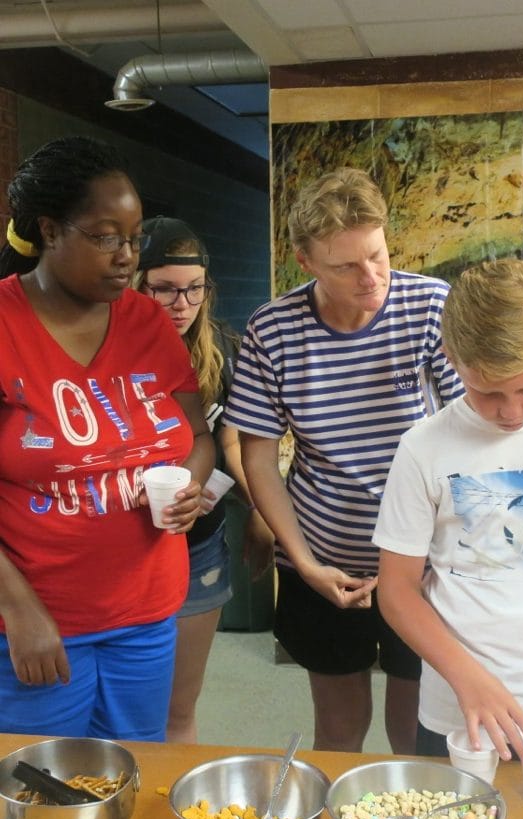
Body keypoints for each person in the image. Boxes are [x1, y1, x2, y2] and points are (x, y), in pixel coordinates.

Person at [224, 167, 464, 753]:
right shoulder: (273, 329)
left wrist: (444, 551)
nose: (370, 277)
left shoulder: (430, 304)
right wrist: (305, 564)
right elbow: (259, 458)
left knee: (415, 726)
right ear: (305, 261)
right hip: (324, 552)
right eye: (346, 266)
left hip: (422, 558)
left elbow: (469, 432)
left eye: (377, 255)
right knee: (338, 726)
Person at [0, 136, 215, 741]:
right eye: (105, 237)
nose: (126, 257)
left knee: (134, 770)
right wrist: (17, 608)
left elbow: (198, 435)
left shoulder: (147, 322)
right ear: (49, 230)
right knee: (42, 784)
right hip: (37, 619)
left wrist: (191, 485)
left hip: (146, 613)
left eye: (134, 238)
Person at [374, 257, 523, 764]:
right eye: (488, 392)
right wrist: (467, 678)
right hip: (461, 710)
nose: (511, 412)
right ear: (452, 358)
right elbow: (397, 590)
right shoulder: (423, 448)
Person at [135, 216, 274, 743]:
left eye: (194, 288)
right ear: (137, 283)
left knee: (179, 709)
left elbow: (231, 445)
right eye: (165, 289)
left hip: (198, 545)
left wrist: (260, 511)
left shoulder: (223, 350)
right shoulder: (111, 349)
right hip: (124, 546)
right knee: (124, 707)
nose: (182, 304)